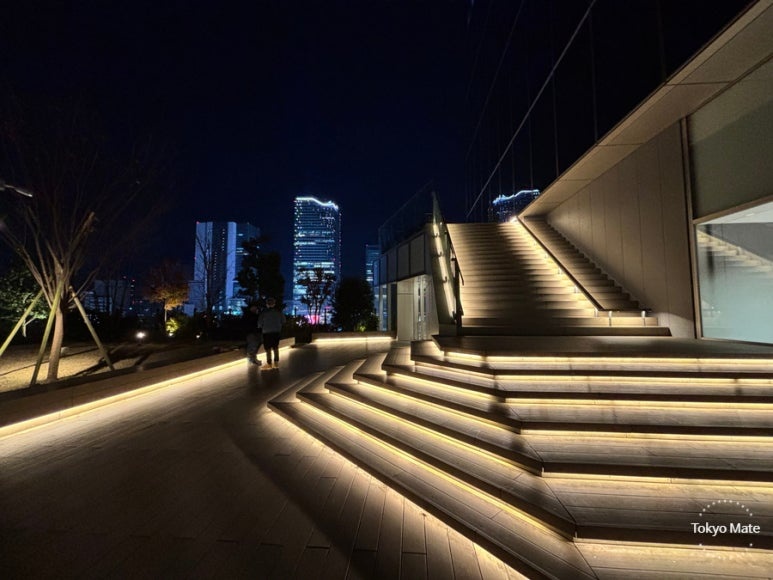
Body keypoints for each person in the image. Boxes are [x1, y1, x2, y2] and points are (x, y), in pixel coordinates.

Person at [258, 297, 286, 369]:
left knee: (268, 348)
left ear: (267, 304)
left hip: (266, 332)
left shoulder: (264, 313)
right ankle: (276, 363)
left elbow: (259, 324)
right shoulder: (279, 312)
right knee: (275, 347)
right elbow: (283, 321)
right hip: (276, 332)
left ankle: (269, 363)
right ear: (274, 304)